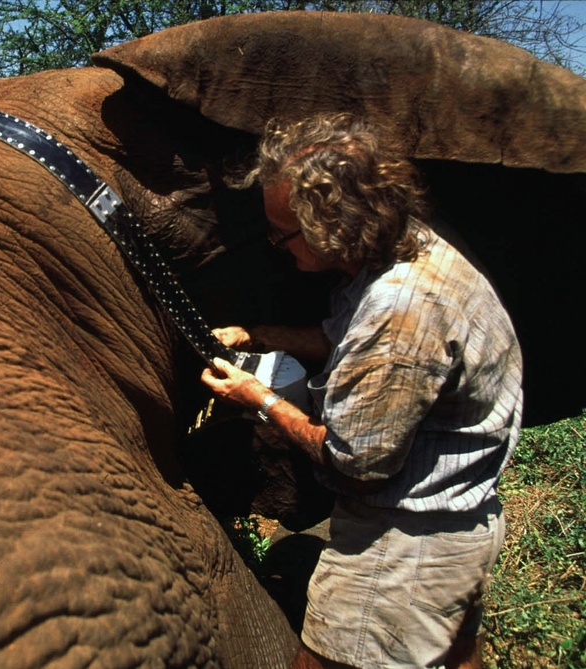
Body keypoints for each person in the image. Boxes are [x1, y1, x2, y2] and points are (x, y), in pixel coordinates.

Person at [201, 113, 523, 669]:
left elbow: (356, 462)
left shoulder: (401, 311)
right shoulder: (405, 246)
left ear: (334, 226)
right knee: (451, 652)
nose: (277, 245)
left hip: (407, 547)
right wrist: (256, 334)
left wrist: (259, 399)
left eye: (283, 233)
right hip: (457, 527)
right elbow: (339, 337)